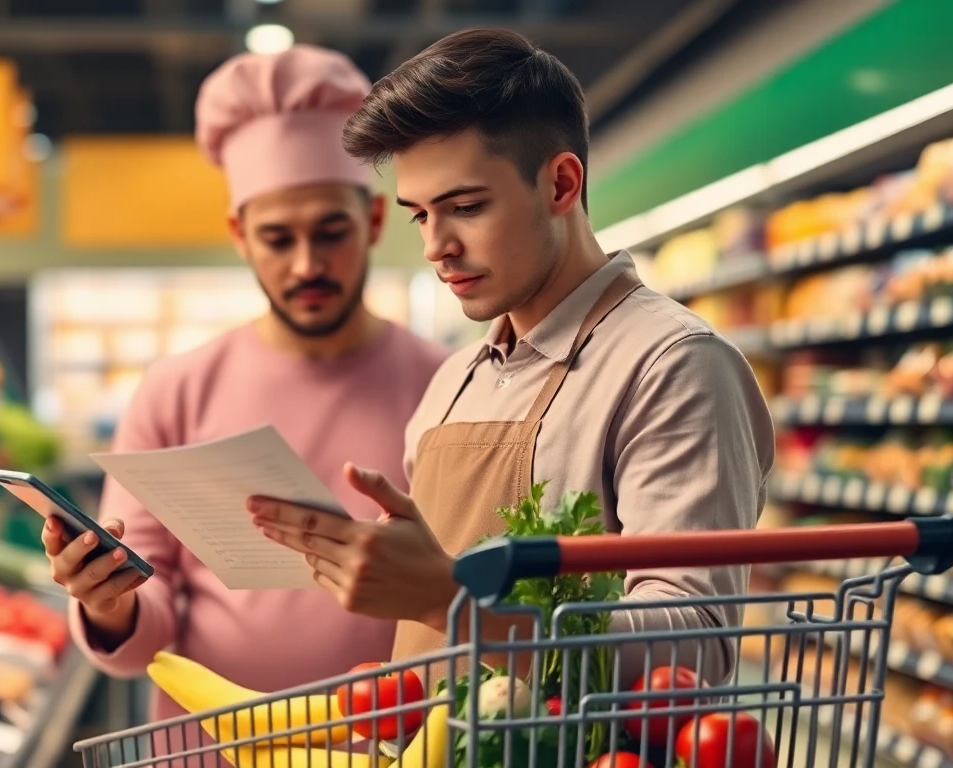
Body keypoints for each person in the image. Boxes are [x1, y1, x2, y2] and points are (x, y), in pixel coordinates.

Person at [247, 28, 776, 689]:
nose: (436, 246)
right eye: (419, 216)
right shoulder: (453, 382)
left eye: (465, 207)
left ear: (560, 183)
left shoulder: (673, 366)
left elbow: (693, 646)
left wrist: (448, 602)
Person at [43, 44, 449, 730]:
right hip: (206, 748)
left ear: (375, 222)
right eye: (276, 238)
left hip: (398, 745)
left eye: (331, 232)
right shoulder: (176, 392)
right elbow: (147, 621)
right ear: (239, 235)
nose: (307, 264)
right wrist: (109, 602)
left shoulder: (449, 385)